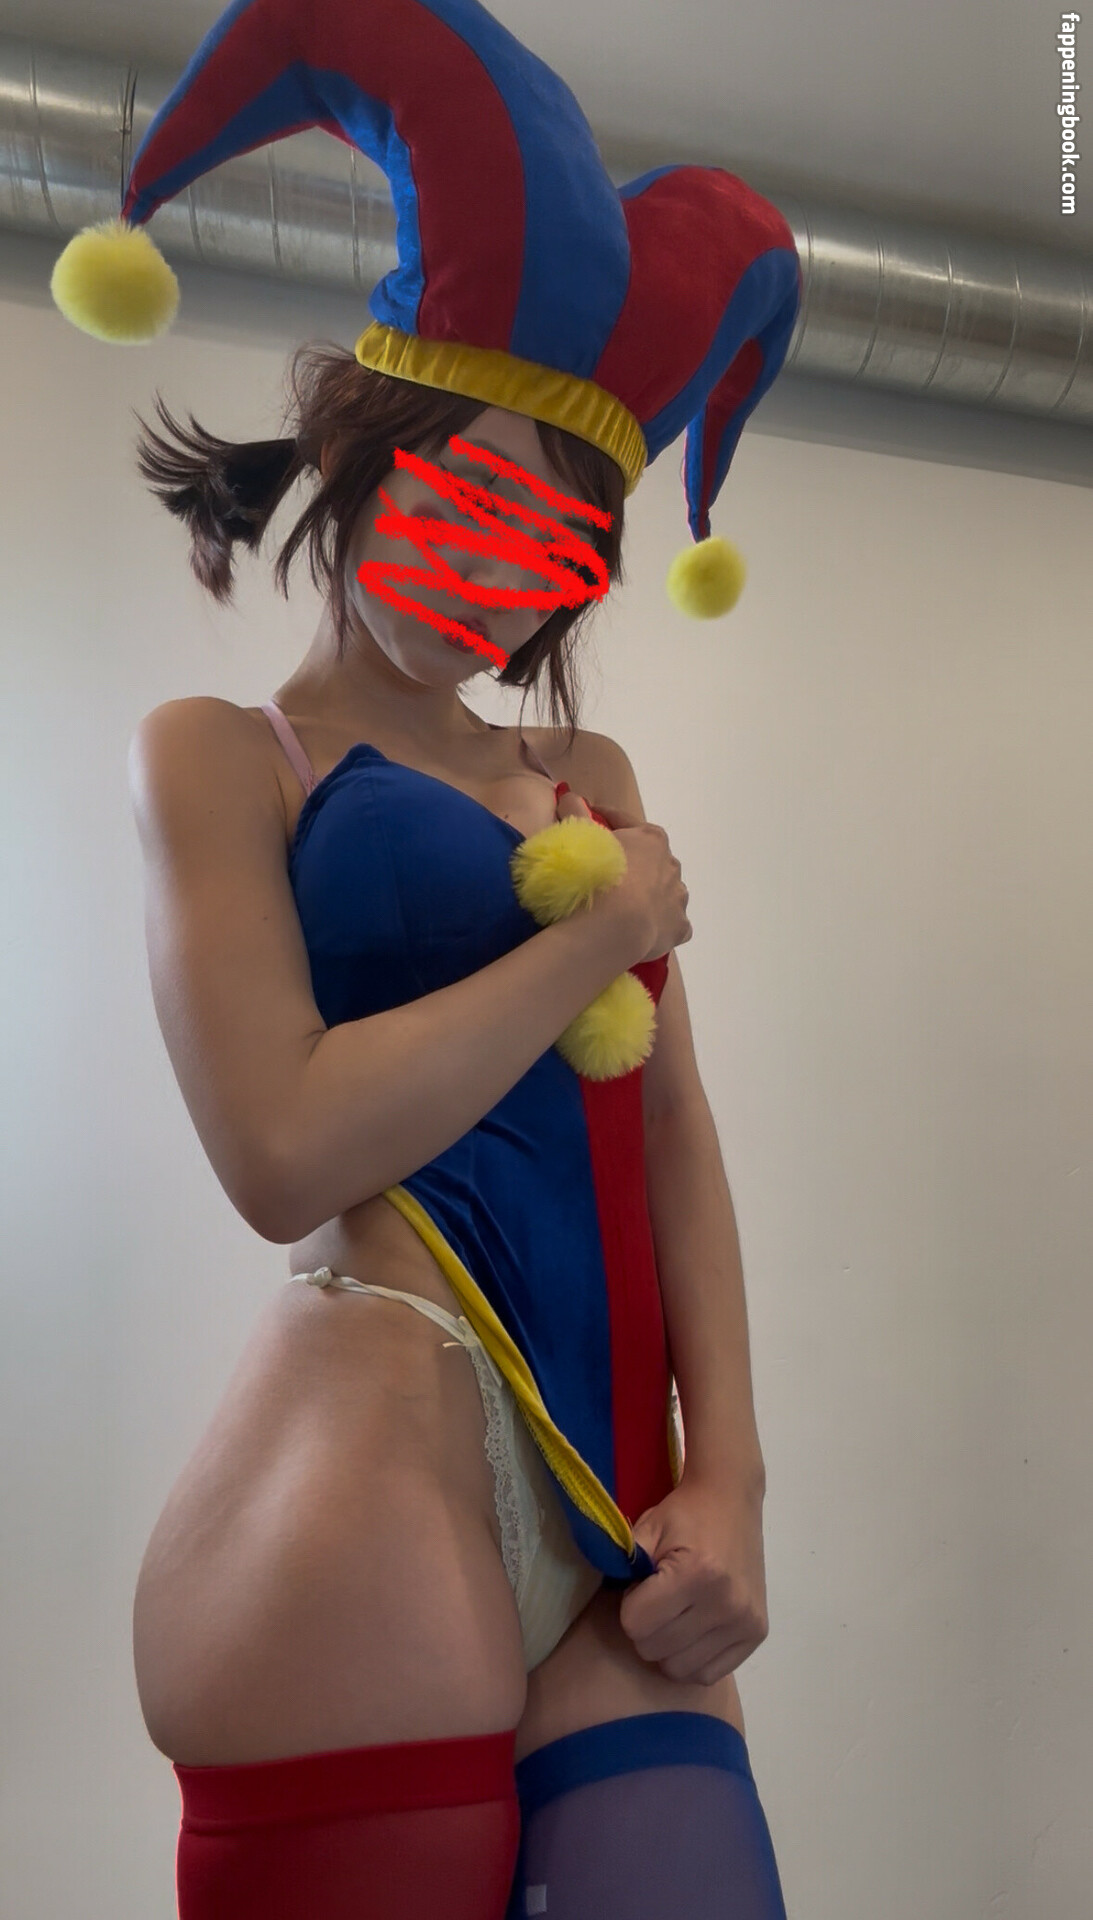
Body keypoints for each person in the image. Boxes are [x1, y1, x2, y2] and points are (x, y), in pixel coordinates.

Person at [56, 2, 801, 1912]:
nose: (506, 571)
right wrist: (598, 935)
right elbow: (282, 1150)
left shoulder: (587, 772)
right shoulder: (221, 755)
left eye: (560, 542)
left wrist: (734, 1474)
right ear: (359, 443)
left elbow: (673, 1136)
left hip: (617, 1493)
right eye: (475, 496)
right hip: (368, 1459)